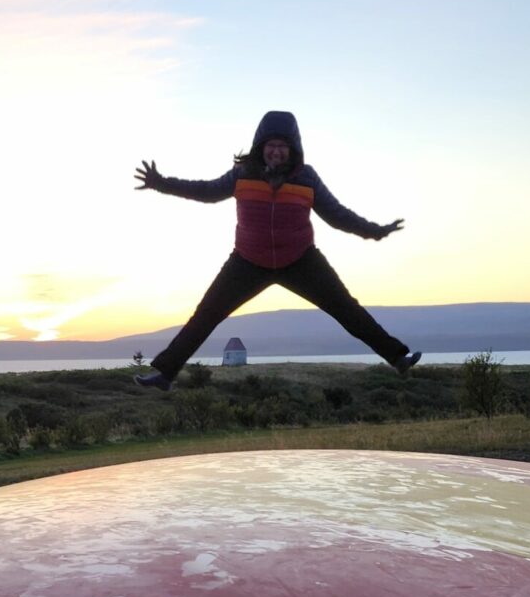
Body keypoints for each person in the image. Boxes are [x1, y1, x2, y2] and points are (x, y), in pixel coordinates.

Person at [130, 110, 421, 390]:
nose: (277, 152)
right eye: (272, 145)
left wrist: (375, 231)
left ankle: (398, 357)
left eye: (283, 146)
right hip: (248, 260)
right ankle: (166, 374)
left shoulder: (306, 178)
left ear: (293, 149)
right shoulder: (242, 174)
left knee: (346, 309)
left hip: (300, 259)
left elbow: (336, 214)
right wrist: (160, 183)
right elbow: (206, 191)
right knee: (206, 314)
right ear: (261, 147)